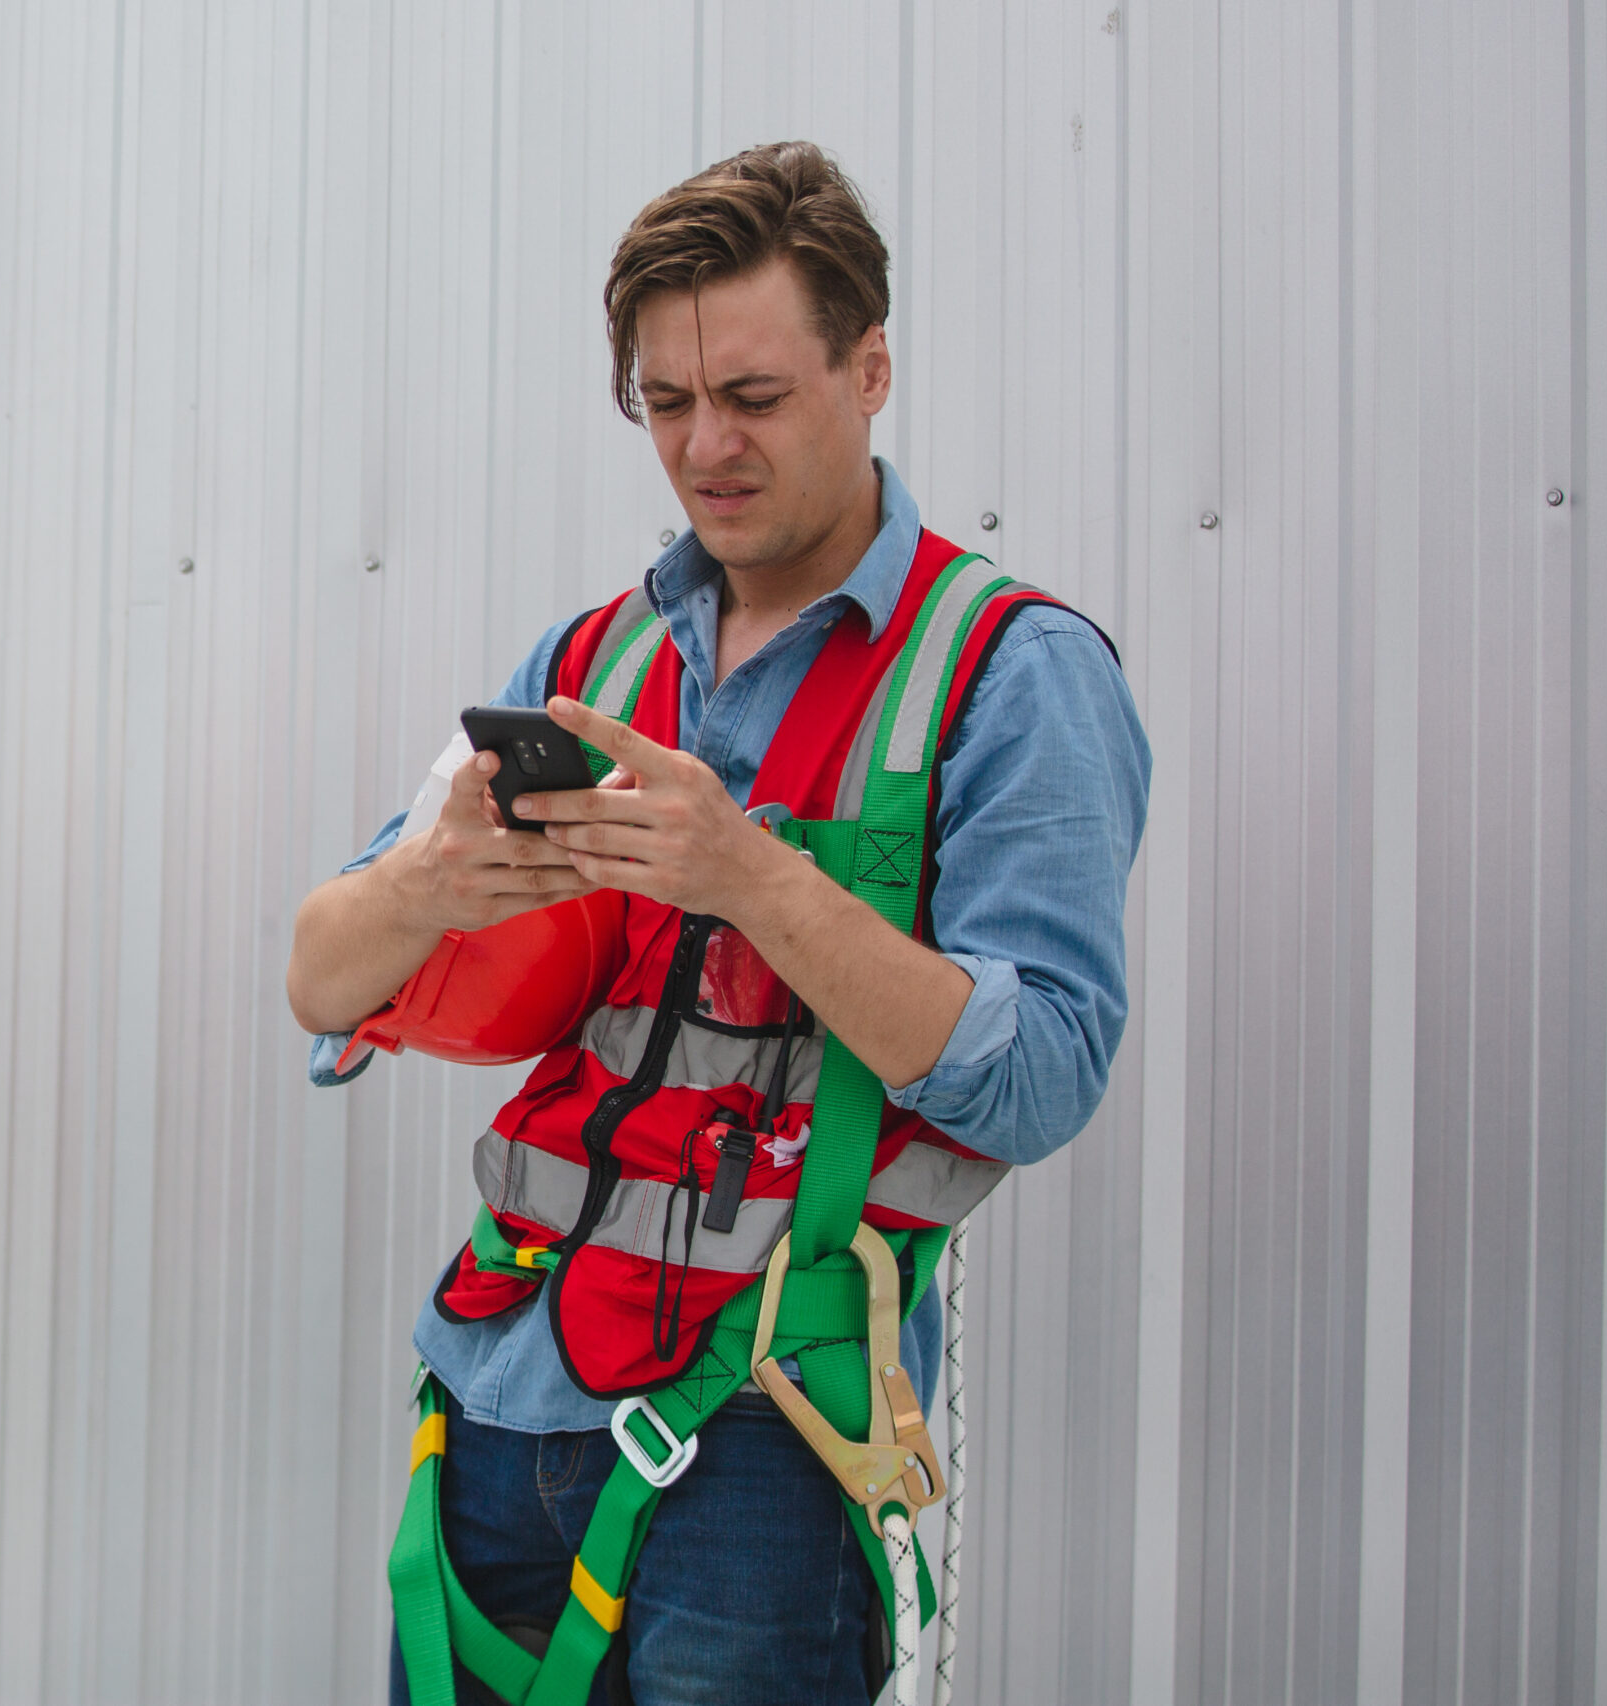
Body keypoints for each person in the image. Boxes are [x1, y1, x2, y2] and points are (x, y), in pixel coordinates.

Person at [287, 143, 1149, 1706]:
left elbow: (1043, 1076)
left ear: (869, 366)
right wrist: (428, 885)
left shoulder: (1016, 672)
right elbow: (321, 981)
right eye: (666, 402)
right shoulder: (592, 658)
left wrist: (747, 872)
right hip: (494, 1387)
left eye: (753, 395)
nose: (706, 445)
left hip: (768, 1444)